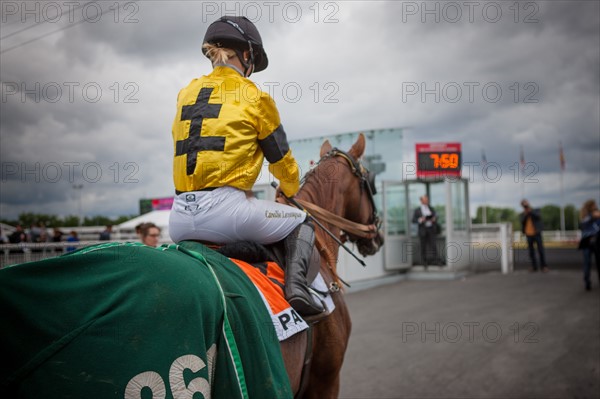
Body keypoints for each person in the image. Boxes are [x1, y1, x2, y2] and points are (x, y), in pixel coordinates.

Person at [168, 16, 323, 316]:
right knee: (302, 220)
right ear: (248, 55)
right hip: (228, 212)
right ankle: (297, 291)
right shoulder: (254, 96)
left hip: (179, 218)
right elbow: (282, 162)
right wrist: (290, 191)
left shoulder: (185, 93)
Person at [519, 199, 548, 272]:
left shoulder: (536, 210)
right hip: (528, 234)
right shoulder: (523, 214)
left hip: (537, 233)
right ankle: (534, 267)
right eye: (523, 205)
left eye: (526, 204)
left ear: (528, 203)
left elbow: (538, 216)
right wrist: (526, 214)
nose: (525, 206)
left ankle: (544, 266)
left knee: (541, 250)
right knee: (531, 252)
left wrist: (530, 211)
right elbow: (522, 221)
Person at [578, 199, 600, 291]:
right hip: (587, 242)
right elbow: (583, 225)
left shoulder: (597, 216)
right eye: (594, 204)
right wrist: (592, 216)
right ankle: (587, 282)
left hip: (597, 241)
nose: (596, 206)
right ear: (590, 206)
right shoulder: (586, 216)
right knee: (587, 263)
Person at [412, 195, 440, 267]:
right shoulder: (417, 210)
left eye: (427, 199)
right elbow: (413, 220)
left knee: (433, 245)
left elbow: (436, 216)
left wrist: (434, 219)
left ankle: (435, 260)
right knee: (423, 246)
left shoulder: (431, 208)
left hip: (431, 229)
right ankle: (424, 262)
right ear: (421, 201)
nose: (427, 201)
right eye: (425, 200)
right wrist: (421, 219)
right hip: (423, 230)